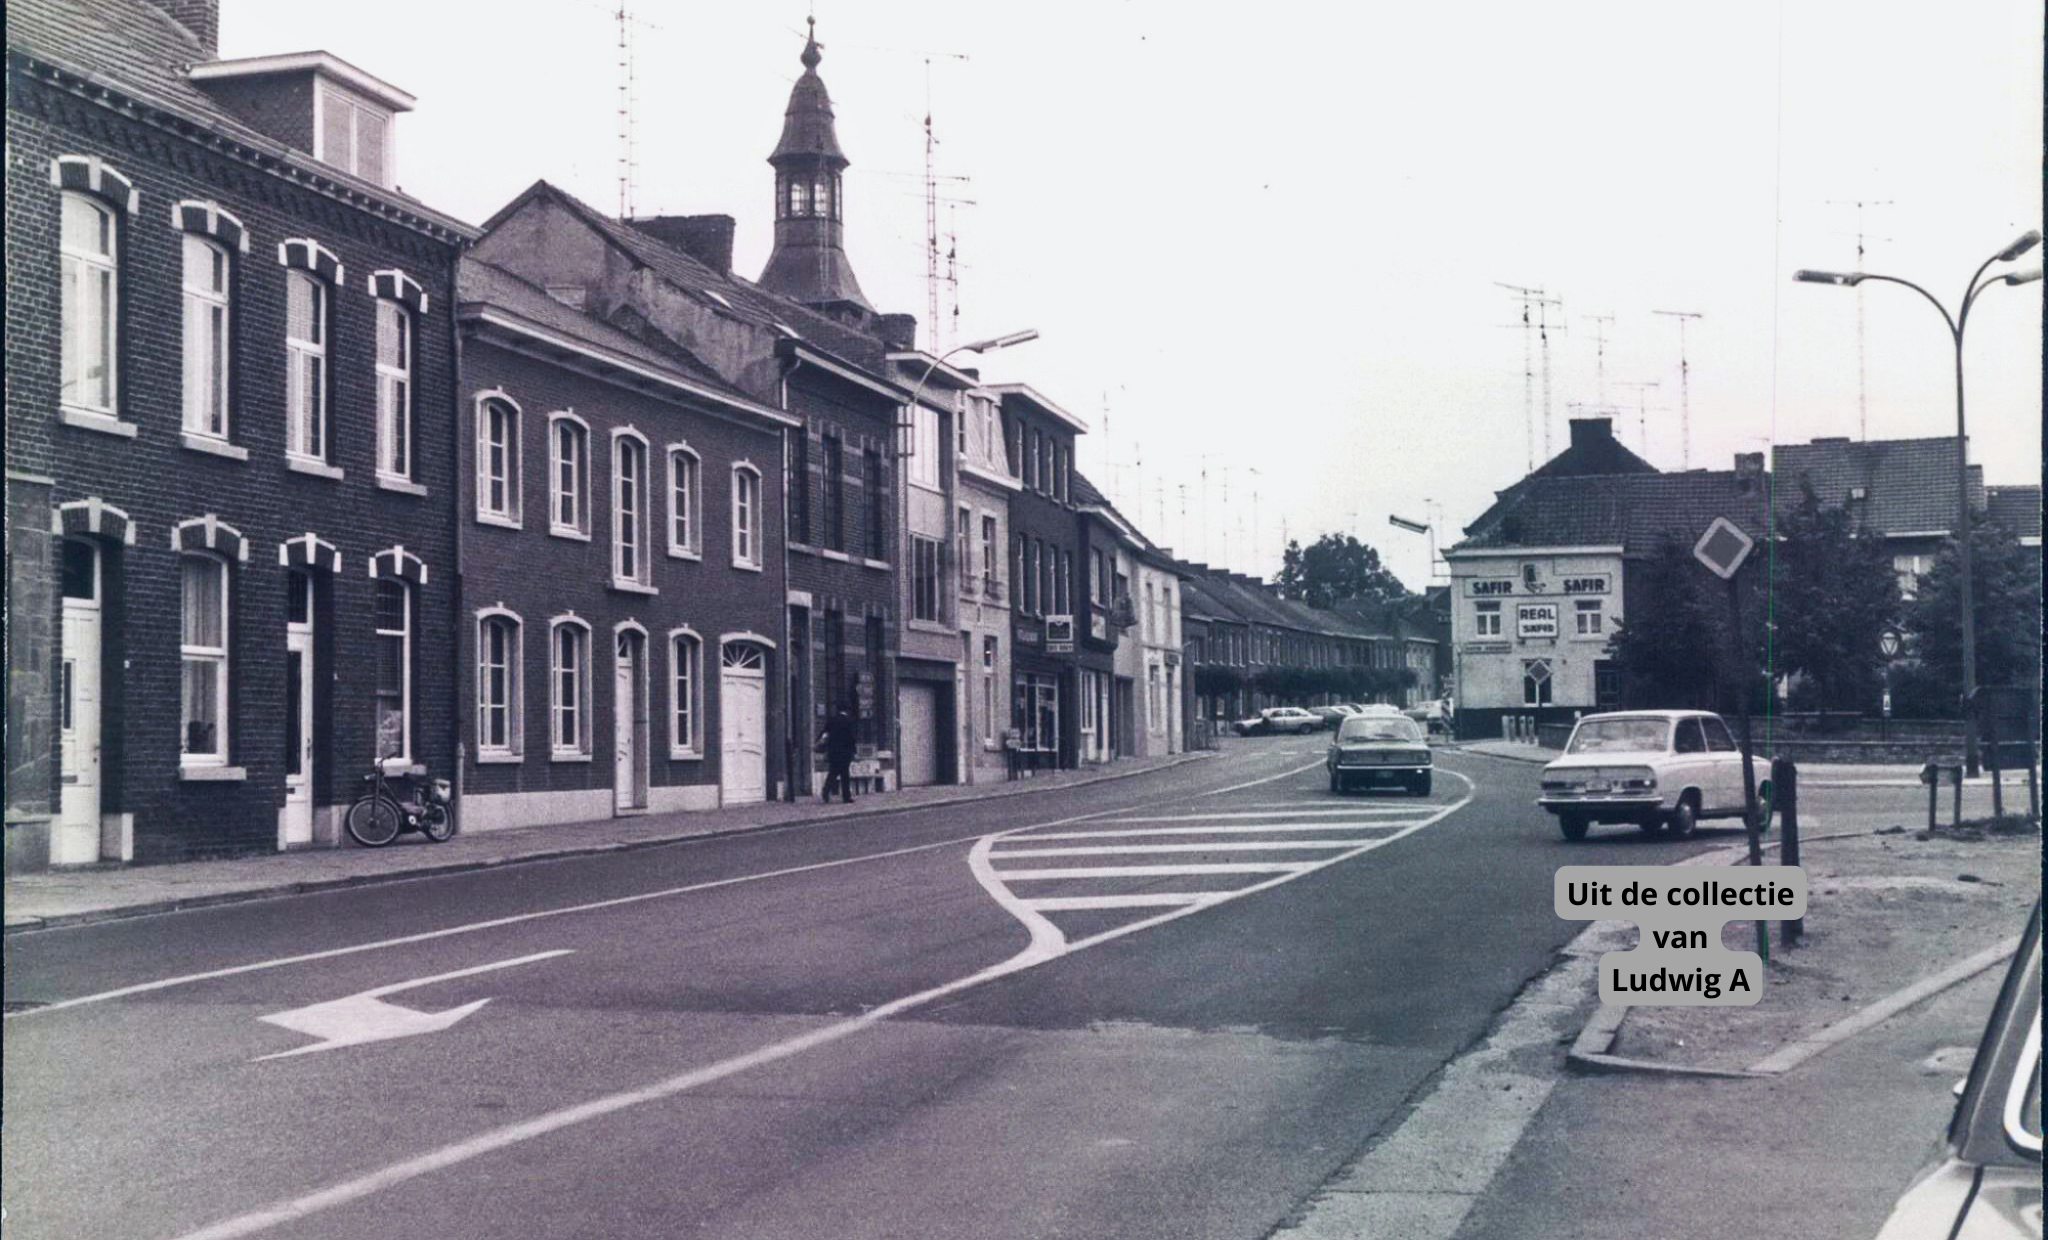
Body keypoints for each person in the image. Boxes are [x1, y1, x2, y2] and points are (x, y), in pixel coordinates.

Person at [817, 707, 858, 804]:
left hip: (833, 752)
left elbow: (824, 734)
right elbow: (851, 738)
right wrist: (854, 751)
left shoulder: (832, 720)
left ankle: (826, 791)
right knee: (845, 775)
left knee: (833, 773)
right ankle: (846, 797)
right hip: (844, 753)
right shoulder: (848, 722)